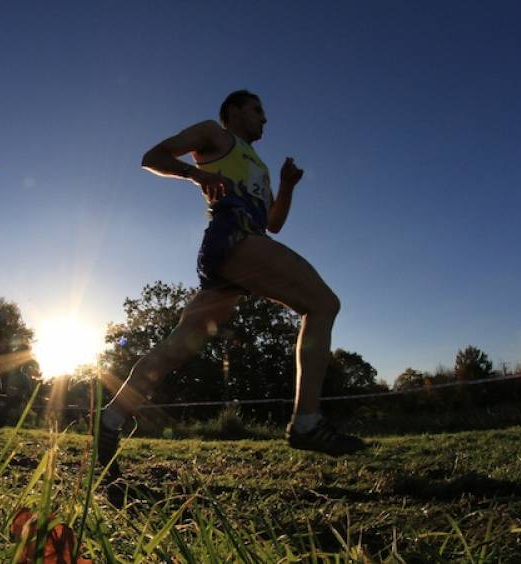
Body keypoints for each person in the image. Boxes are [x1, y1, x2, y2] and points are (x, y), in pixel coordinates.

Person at [97, 90, 366, 483]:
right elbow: (151, 157)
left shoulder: (260, 165)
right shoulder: (214, 134)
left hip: (243, 245)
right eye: (258, 109)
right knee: (323, 304)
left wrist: (288, 185)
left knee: (178, 346)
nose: (265, 119)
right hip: (232, 237)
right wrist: (195, 173)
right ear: (233, 111)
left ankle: (109, 419)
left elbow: (273, 222)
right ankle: (307, 420)